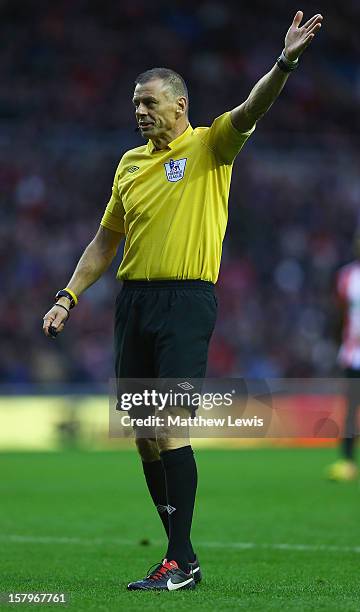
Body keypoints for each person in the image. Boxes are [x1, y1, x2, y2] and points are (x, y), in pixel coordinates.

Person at [43, 10, 323, 591]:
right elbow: (104, 242)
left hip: (186, 302)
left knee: (168, 424)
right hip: (134, 305)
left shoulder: (209, 146)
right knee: (144, 433)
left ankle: (181, 560)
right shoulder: (129, 164)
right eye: (135, 102)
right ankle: (179, 555)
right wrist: (69, 296)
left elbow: (252, 110)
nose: (139, 109)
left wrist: (285, 61)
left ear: (179, 107)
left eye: (149, 101)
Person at [326, 233, 360, 482]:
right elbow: (339, 314)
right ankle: (347, 461)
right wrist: (340, 344)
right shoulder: (347, 276)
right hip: (354, 354)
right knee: (351, 409)